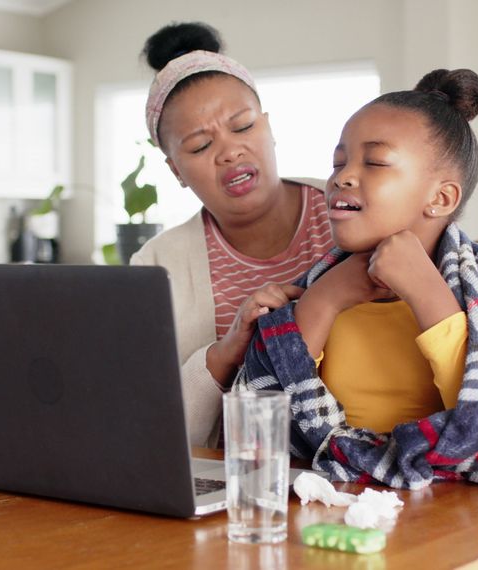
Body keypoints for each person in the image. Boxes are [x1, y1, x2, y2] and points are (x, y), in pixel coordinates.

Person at [236, 69, 478, 492]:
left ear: (441, 198)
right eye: (338, 163)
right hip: (338, 511)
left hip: (465, 517)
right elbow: (261, 429)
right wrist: (325, 300)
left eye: (374, 162)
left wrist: (426, 291)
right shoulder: (315, 288)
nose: (342, 176)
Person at [129, 22, 333, 447]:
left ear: (269, 127)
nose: (229, 151)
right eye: (200, 146)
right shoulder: (156, 266)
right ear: (175, 171)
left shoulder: (346, 211)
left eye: (242, 126)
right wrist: (221, 357)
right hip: (238, 485)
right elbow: (148, 427)